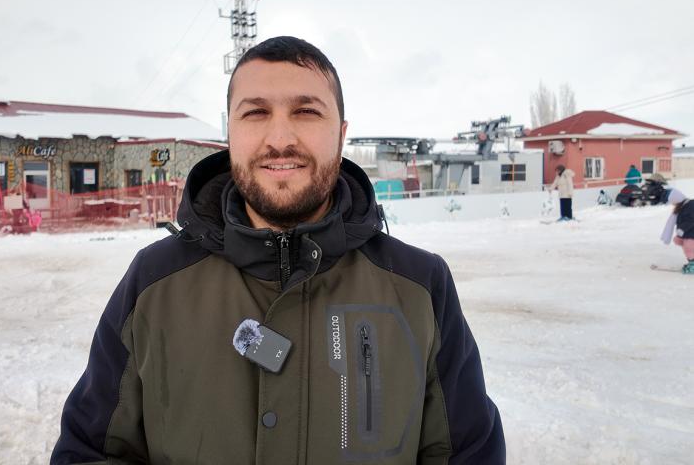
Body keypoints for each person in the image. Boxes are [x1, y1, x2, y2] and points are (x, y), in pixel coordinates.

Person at [51, 36, 505, 464]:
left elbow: (467, 453)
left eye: (306, 111)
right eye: (255, 113)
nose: (280, 138)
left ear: (341, 133)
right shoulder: (153, 282)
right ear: (230, 132)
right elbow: (91, 451)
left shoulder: (420, 286)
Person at [660, 189, 694, 274]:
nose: (673, 204)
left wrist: (682, 229)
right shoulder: (684, 205)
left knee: (689, 246)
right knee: (681, 242)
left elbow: (690, 219)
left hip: (691, 232)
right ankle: (691, 262)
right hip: (689, 231)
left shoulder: (690, 205)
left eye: (673, 202)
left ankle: (693, 264)